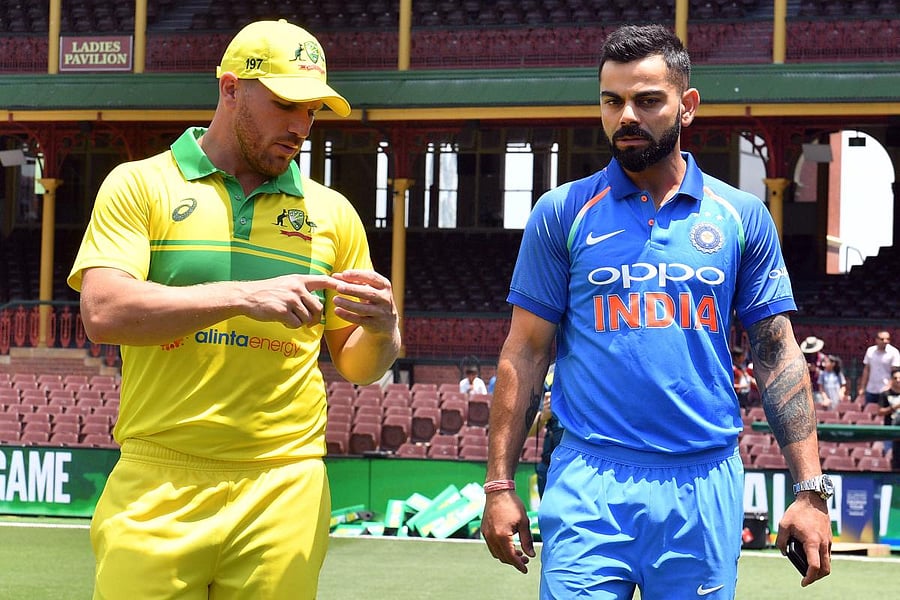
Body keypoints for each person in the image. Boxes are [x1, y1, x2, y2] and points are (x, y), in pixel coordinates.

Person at [480, 24, 831, 598]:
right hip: (590, 479)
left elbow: (776, 352)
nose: (626, 117)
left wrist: (810, 490)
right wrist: (499, 485)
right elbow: (525, 350)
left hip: (703, 482)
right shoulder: (561, 212)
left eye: (646, 100)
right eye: (612, 101)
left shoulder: (740, 215)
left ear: (686, 105)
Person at [68, 19, 401, 600]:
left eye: (312, 111)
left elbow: (357, 365)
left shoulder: (334, 213)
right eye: (285, 105)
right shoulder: (139, 185)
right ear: (230, 89)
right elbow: (103, 311)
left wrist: (384, 330)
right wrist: (244, 296)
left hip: (286, 483)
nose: (301, 126)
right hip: (158, 480)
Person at [856, 330, 900, 405]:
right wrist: (862, 387)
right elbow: (867, 369)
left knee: (884, 411)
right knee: (870, 410)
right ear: (876, 340)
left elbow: (895, 372)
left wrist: (889, 386)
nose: (885, 341)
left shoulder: (894, 352)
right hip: (871, 389)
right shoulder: (870, 351)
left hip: (886, 389)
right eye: (882, 339)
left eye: (887, 339)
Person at [800, 335, 827, 404]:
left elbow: (827, 374)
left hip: (818, 390)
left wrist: (816, 370)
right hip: (805, 389)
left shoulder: (822, 358)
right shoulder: (803, 358)